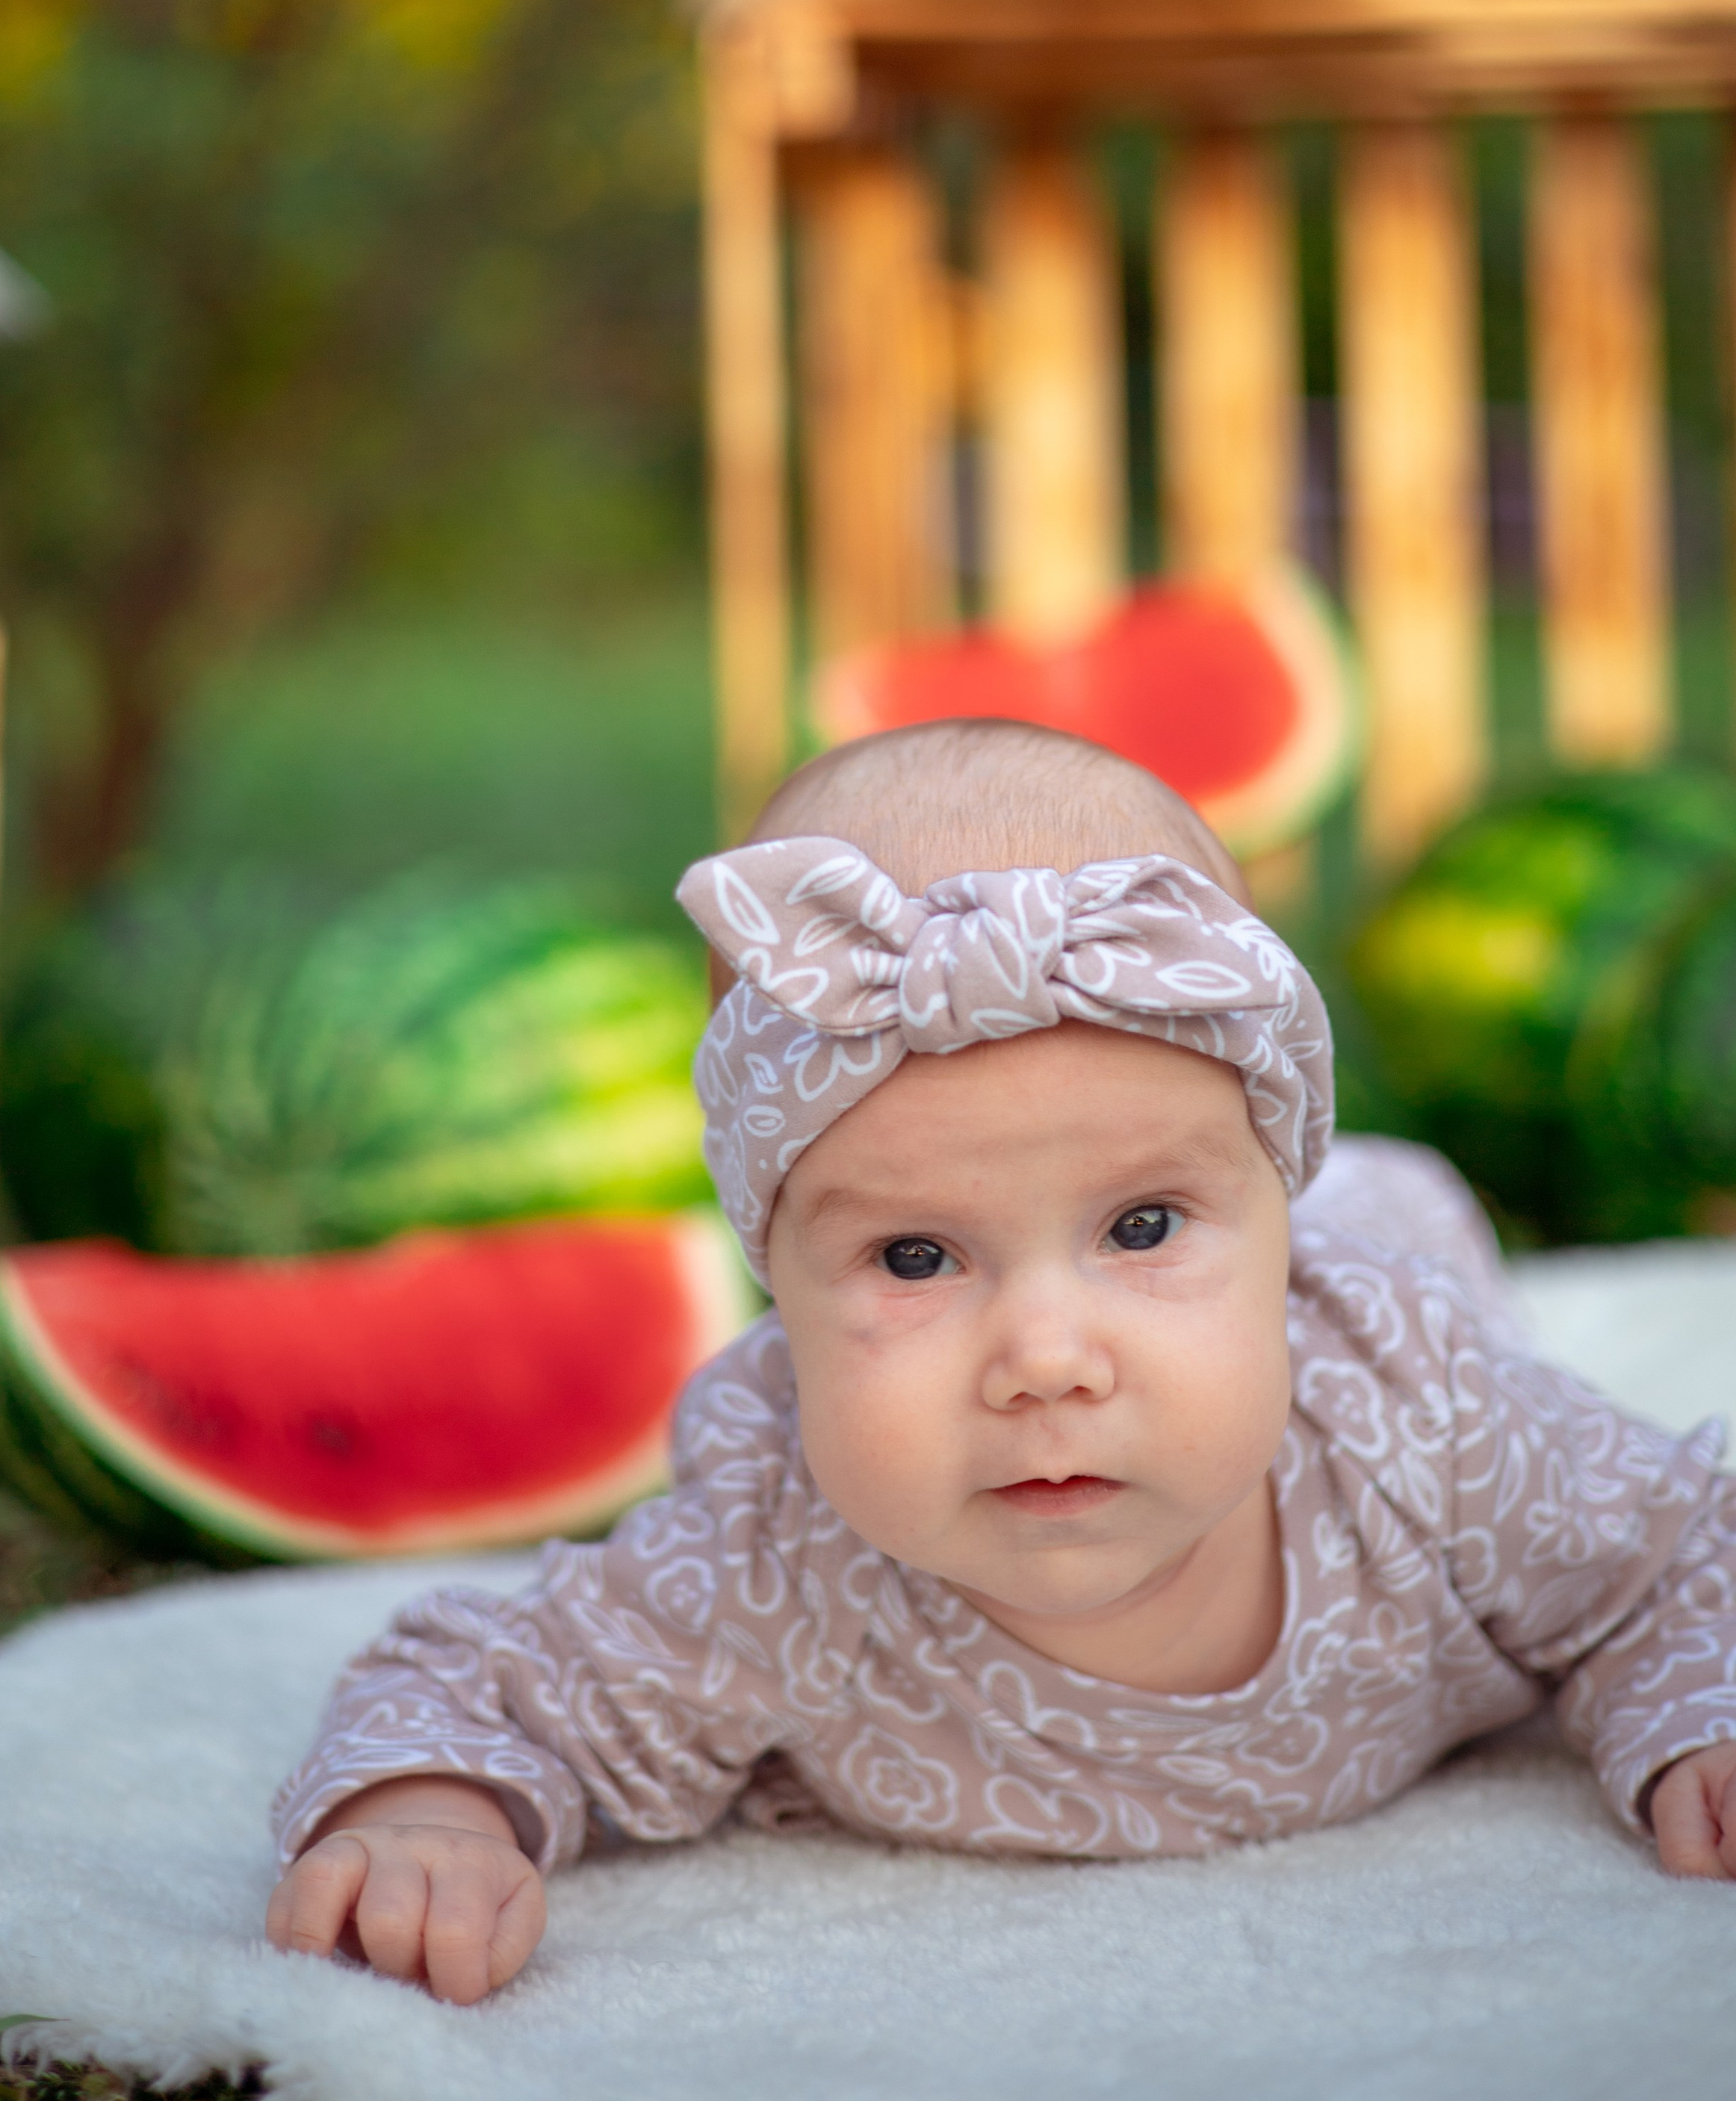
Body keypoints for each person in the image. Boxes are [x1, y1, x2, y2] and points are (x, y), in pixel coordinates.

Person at [265, 721, 1736, 2007]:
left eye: (1140, 1225)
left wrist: (1694, 1724)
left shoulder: (1413, 1410)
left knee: (1405, 1224)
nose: (1042, 1360)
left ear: (1270, 1220)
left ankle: (1348, 1196)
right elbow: (477, 1679)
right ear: (773, 1288)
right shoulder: (774, 1556)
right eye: (914, 1258)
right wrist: (430, 1818)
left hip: (1391, 1244)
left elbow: (1673, 1554)